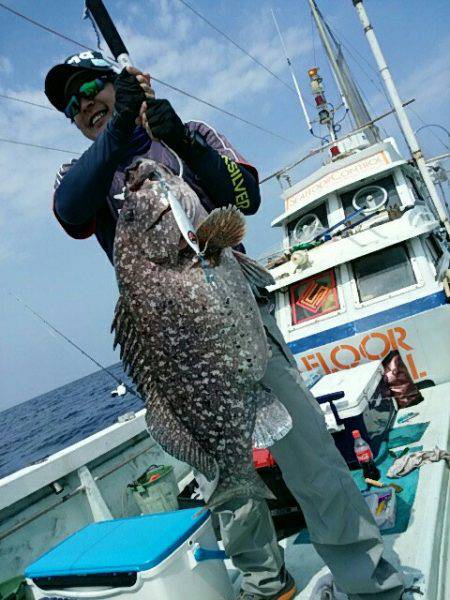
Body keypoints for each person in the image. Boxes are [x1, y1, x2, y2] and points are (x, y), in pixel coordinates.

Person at [45, 51, 404, 600]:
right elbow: (70, 209)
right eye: (71, 105)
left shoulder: (189, 132)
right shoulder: (82, 174)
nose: (82, 103)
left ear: (122, 83)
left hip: (240, 319)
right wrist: (118, 134)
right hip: (172, 348)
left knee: (312, 457)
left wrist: (181, 144)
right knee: (226, 484)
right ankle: (265, 587)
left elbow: (247, 198)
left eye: (92, 86)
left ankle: (372, 583)